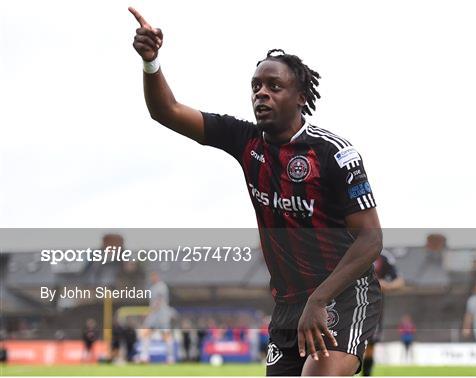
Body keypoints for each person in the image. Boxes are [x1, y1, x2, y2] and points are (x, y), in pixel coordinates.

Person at [129, 7, 383, 376]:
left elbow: (371, 239)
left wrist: (320, 297)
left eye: (274, 87)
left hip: (342, 295)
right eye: (256, 87)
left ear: (299, 97)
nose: (261, 93)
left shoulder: (334, 154)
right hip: (289, 304)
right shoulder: (245, 141)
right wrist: (151, 62)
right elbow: (165, 111)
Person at [362, 249, 404, 376]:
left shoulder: (384, 256)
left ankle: (366, 374)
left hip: (374, 309)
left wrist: (385, 285)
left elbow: (400, 281)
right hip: (347, 305)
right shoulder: (345, 248)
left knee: (371, 344)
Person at [140, 271, 176, 364]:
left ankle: (170, 358)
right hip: (154, 314)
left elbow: (159, 301)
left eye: (154, 276)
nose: (153, 278)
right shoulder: (152, 288)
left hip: (162, 314)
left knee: (166, 336)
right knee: (146, 333)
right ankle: (144, 357)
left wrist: (149, 311)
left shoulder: (162, 286)